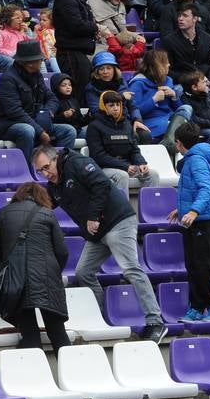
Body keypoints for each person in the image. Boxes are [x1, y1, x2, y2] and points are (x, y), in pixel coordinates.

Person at [32, 144, 168, 343]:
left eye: (46, 167)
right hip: (98, 232)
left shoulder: (77, 162)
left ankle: (155, 322)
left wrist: (94, 216)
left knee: (131, 269)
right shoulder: (54, 185)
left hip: (118, 221)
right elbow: (47, 205)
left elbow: (102, 184)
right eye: (39, 171)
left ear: (55, 159)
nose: (45, 174)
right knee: (83, 272)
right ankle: (99, 318)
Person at [0, 181, 70, 351]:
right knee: (58, 332)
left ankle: (35, 375)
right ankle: (72, 373)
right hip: (48, 277)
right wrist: (52, 270)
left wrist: (11, 262)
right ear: (42, 197)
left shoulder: (3, 213)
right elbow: (62, 252)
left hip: (17, 279)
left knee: (29, 333)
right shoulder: (47, 214)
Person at [172, 121, 210, 321]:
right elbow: (193, 190)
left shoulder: (195, 160)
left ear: (178, 143)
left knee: (204, 265)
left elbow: (205, 189)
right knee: (194, 265)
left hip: (203, 221)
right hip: (193, 221)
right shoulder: (192, 159)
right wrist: (180, 209)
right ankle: (196, 307)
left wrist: (194, 211)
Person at [0, 40, 78, 163]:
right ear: (29, 63)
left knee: (68, 131)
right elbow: (14, 112)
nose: (42, 61)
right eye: (39, 59)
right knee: (27, 131)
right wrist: (40, 131)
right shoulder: (8, 79)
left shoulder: (37, 75)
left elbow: (52, 98)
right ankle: (26, 171)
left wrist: (47, 113)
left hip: (36, 120)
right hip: (9, 124)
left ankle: (59, 168)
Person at [85, 90, 157, 194]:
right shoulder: (94, 126)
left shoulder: (126, 125)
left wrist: (141, 163)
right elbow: (98, 156)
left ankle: (151, 208)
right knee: (122, 176)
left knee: (152, 174)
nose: (115, 108)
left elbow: (134, 150)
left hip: (127, 166)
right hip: (104, 168)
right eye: (111, 105)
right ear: (103, 106)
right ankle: (124, 210)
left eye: (118, 105)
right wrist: (124, 166)